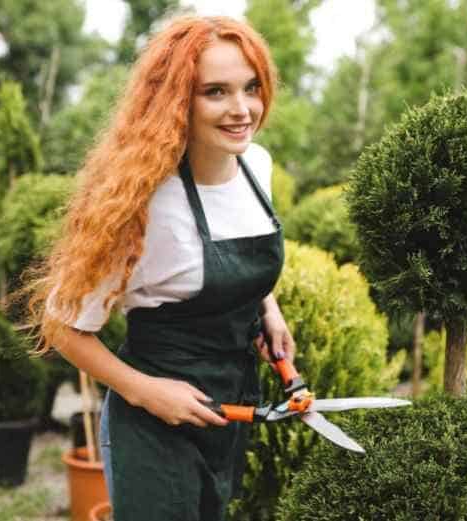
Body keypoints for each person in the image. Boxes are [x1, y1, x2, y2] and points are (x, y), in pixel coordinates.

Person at [25, 15, 295, 521]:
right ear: (177, 100)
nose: (242, 110)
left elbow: (237, 252)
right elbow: (60, 323)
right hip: (151, 428)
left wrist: (268, 310)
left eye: (251, 87)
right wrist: (144, 391)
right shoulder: (139, 202)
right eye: (215, 92)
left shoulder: (256, 166)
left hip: (227, 410)